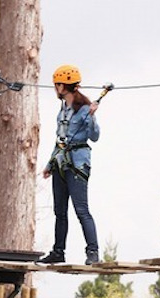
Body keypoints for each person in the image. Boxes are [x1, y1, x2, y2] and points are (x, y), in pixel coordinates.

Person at [39, 64, 101, 265]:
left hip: (78, 164)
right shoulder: (63, 110)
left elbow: (95, 136)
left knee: (81, 209)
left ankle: (93, 252)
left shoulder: (84, 109)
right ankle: (58, 251)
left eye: (58, 85)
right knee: (60, 211)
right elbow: (60, 139)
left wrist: (91, 117)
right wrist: (50, 164)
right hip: (60, 163)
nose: (56, 88)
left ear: (64, 86)